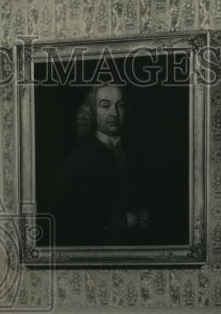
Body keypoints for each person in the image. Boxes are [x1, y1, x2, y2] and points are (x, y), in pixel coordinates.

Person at [46, 83, 153, 247]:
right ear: (92, 111)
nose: (114, 113)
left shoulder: (136, 155)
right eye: (105, 106)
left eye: (120, 105)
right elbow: (69, 216)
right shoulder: (80, 160)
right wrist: (122, 221)